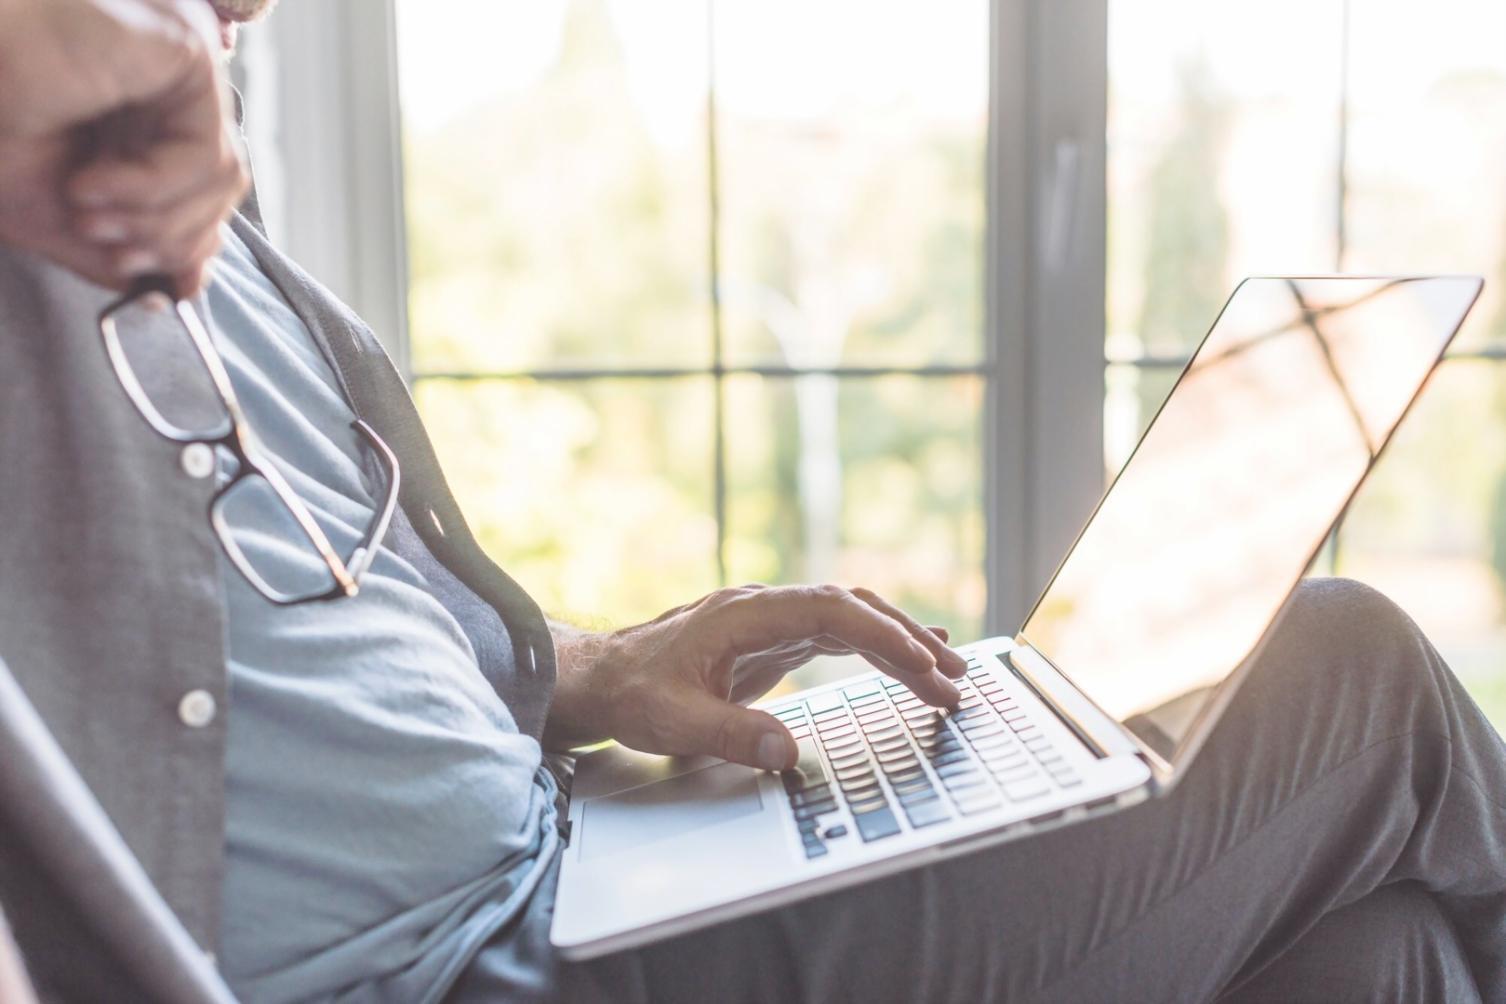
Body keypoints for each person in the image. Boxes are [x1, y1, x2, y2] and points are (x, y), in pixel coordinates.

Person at [0, 1, 1502, 1002]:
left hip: (567, 854)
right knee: (1347, 676)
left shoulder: (222, 243)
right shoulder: (50, 171)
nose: (251, 13)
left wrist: (590, 668)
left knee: (1390, 957)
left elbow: (334, 629)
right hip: (464, 969)